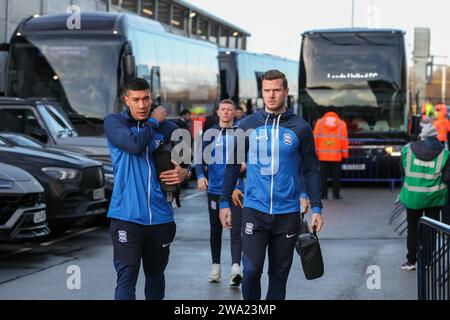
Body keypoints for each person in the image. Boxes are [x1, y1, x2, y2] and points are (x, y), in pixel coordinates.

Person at [219, 70, 323, 300]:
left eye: (276, 90)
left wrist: (317, 207)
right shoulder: (246, 125)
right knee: (252, 270)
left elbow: (311, 169)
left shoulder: (301, 128)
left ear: (286, 91)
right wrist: (224, 202)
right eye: (266, 90)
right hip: (254, 211)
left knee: (279, 274)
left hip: (287, 214)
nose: (271, 95)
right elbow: (232, 166)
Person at [104, 78, 192, 300]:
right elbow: (135, 145)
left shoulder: (170, 128)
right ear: (126, 100)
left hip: (161, 218)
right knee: (126, 278)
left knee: (155, 276)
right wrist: (153, 122)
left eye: (145, 98)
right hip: (126, 216)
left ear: (151, 98)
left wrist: (185, 173)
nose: (141, 105)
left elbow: (188, 162)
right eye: (135, 100)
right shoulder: (115, 123)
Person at [196, 99, 244, 287]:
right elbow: (200, 158)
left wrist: (246, 164)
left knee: (236, 229)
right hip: (215, 189)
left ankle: (235, 269)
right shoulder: (210, 134)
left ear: (234, 113)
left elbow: (250, 157)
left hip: (236, 189)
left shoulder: (241, 133)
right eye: (222, 109)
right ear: (218, 112)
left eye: (229, 110)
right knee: (216, 230)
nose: (225, 112)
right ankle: (216, 267)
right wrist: (200, 175)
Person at [399, 123, 450, 271]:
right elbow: (447, 178)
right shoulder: (445, 154)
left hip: (413, 197)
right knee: (430, 230)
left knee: (413, 228)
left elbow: (402, 170)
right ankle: (427, 261)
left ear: (422, 136)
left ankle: (411, 261)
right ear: (435, 137)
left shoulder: (408, 149)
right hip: (434, 198)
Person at [313, 110, 349, 199]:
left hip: (322, 156)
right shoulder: (342, 124)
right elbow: (344, 141)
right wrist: (345, 155)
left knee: (322, 177)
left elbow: (315, 139)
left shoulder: (319, 122)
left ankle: (323, 194)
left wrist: (315, 153)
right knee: (336, 177)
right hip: (337, 156)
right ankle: (336, 194)